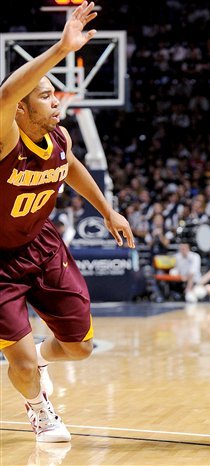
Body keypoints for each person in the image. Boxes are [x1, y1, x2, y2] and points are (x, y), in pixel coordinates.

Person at [0, 2, 135, 443]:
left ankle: (41, 357)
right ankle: (39, 409)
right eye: (44, 96)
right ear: (21, 109)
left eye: (54, 93)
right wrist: (61, 48)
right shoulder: (6, 136)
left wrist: (107, 211)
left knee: (79, 348)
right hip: (0, 262)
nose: (56, 100)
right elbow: (5, 94)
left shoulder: (59, 135)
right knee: (18, 364)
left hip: (42, 245)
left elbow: (71, 166)